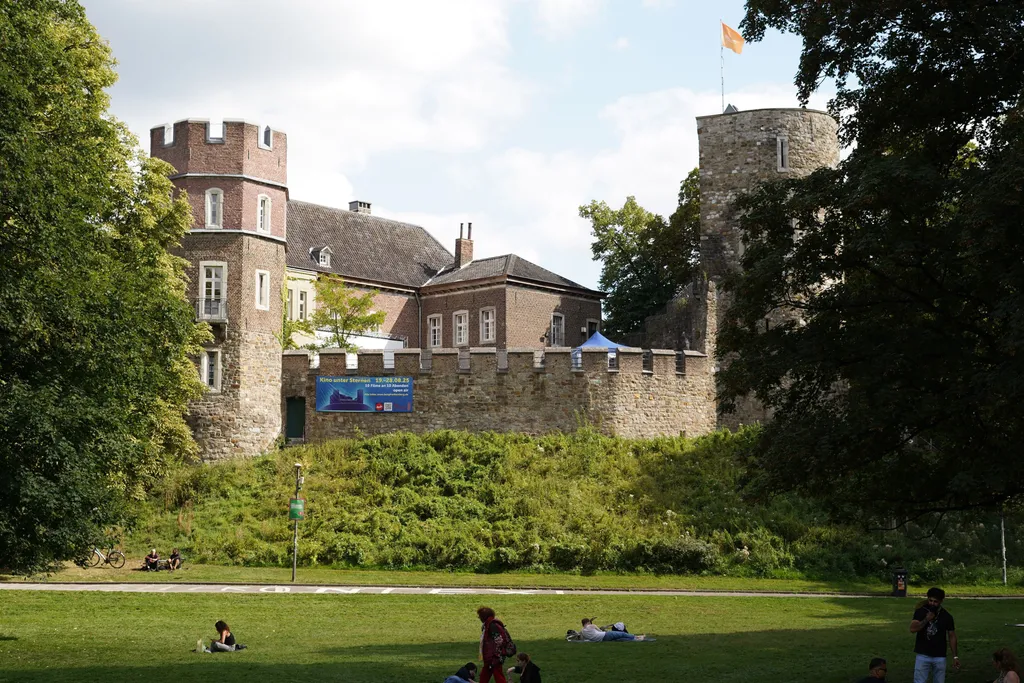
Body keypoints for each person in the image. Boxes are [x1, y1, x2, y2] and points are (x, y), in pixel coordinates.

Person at [910, 587, 959, 682]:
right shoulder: (921, 611)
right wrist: (926, 620)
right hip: (923, 654)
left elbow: (952, 636)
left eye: (935, 601)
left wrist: (955, 656)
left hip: (939, 656)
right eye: (930, 600)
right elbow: (912, 629)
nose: (932, 603)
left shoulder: (946, 616)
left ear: (941, 601)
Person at [477, 606, 509, 683]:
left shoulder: (492, 626)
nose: (479, 618)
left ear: (484, 616)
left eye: (480, 616)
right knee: (484, 676)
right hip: (490, 657)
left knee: (498, 677)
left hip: (494, 657)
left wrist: (496, 656)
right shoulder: (488, 625)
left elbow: (500, 641)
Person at [579, 618, 646, 642]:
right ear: (587, 623)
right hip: (605, 635)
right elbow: (594, 626)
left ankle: (635, 639)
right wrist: (600, 631)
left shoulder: (582, 631)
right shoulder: (589, 626)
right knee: (622, 634)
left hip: (602, 640)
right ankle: (636, 637)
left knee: (619, 639)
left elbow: (582, 637)